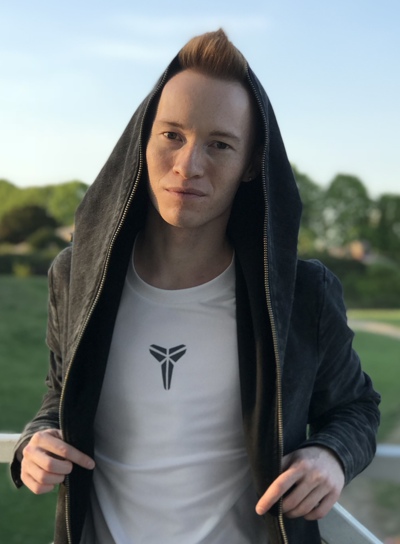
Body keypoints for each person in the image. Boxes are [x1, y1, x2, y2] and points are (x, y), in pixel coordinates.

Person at [11, 29, 380, 544]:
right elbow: (59, 395)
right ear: (143, 140)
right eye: (172, 136)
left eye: (220, 145)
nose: (188, 166)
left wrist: (331, 454)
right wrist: (34, 442)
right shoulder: (76, 276)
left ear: (251, 164)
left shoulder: (303, 293)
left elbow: (356, 408)